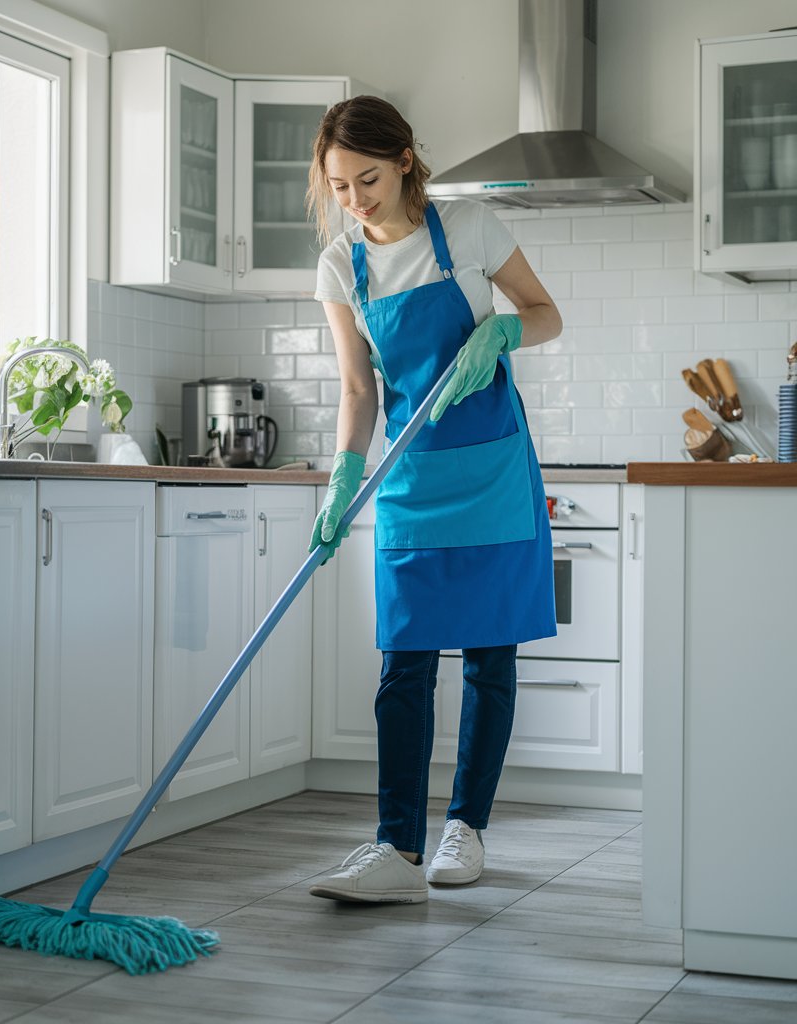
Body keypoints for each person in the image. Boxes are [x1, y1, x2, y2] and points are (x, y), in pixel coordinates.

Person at [305, 96, 561, 904]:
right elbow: (356, 387)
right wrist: (344, 476)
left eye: (368, 179)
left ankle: (466, 829)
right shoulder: (342, 265)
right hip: (410, 479)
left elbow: (546, 312)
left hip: (491, 468)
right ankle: (395, 850)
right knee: (404, 663)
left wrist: (507, 333)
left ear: (406, 159)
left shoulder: (472, 231)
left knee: (489, 656)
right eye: (340, 187)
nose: (356, 201)